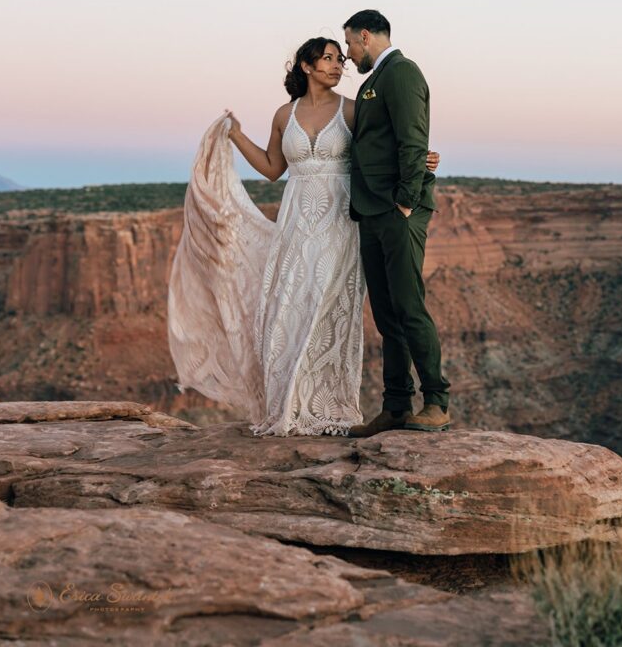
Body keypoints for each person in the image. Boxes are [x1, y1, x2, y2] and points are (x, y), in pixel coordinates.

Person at [167, 35, 440, 437]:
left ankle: (325, 404)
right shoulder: (284, 114)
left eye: (338, 59)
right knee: (288, 305)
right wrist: (236, 135)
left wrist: (425, 157)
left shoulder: (353, 110)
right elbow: (273, 167)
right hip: (296, 219)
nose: (336, 65)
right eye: (327, 59)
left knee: (326, 307)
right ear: (306, 67)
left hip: (340, 219)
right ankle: (290, 405)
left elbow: (388, 145)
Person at [343, 9, 450, 436]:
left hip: (395, 210)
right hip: (371, 210)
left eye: (350, 44)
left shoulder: (402, 73)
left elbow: (412, 138)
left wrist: (406, 202)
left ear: (365, 36)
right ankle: (396, 405)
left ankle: (438, 401)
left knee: (408, 307)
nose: (349, 55)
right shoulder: (375, 80)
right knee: (387, 314)